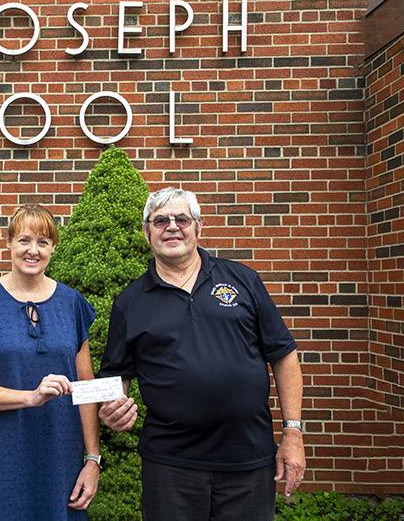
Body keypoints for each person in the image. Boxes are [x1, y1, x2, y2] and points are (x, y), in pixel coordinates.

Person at [98, 187, 305, 521]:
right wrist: (111, 408)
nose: (172, 226)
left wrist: (292, 432)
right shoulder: (130, 301)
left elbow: (283, 355)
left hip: (247, 458)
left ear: (198, 227)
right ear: (146, 231)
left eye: (182, 218)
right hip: (171, 464)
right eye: (160, 220)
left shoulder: (242, 280)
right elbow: (116, 374)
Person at [0, 204, 101, 521]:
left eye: (43, 242)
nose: (33, 250)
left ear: (53, 248)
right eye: (24, 240)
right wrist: (30, 397)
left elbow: (86, 390)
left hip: (61, 452)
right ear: (8, 243)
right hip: (1, 455)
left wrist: (92, 459)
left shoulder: (73, 304)